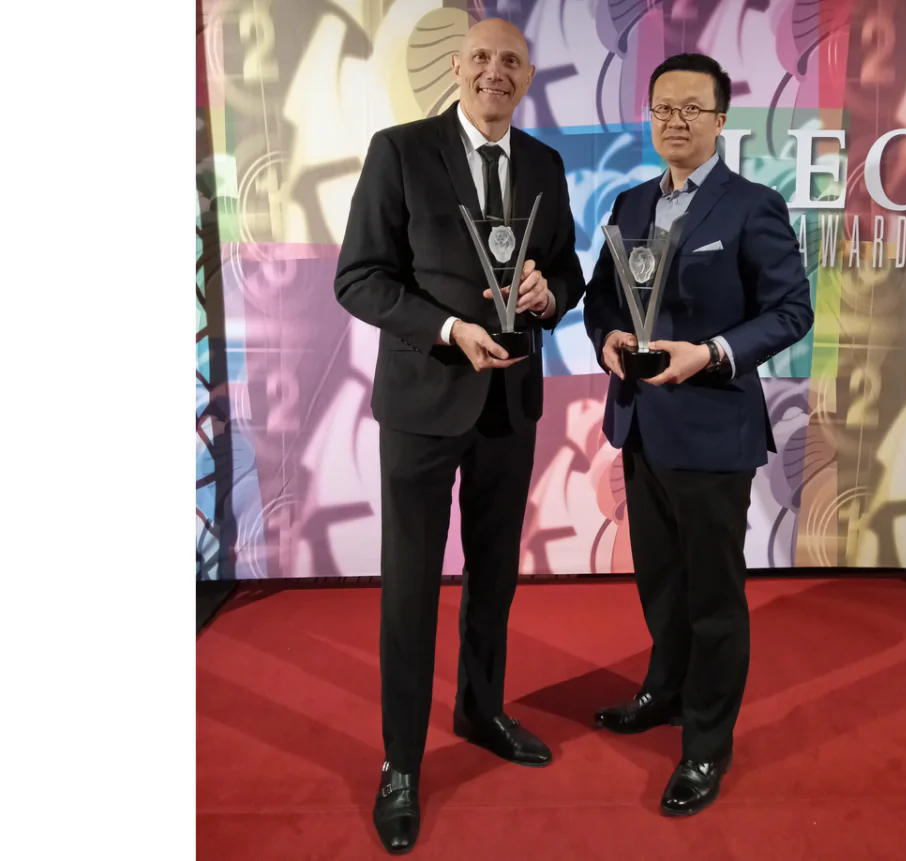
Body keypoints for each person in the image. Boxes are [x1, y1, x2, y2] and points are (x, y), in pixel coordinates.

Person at [333, 18, 584, 854]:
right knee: (410, 587)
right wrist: (444, 328)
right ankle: (400, 760)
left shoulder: (544, 165)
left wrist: (552, 294)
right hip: (422, 402)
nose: (493, 71)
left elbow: (569, 272)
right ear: (455, 67)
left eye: (510, 60)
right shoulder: (399, 151)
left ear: (528, 74)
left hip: (509, 405)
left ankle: (482, 707)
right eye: (479, 57)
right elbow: (360, 278)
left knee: (496, 574)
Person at [584, 53, 814, 817]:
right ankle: (666, 689)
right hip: (641, 426)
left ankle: (708, 743)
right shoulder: (628, 204)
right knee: (660, 582)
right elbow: (598, 302)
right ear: (648, 116)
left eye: (691, 109)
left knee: (714, 596)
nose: (674, 121)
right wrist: (610, 338)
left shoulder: (752, 206)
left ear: (720, 121)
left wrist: (711, 353)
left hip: (714, 430)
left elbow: (790, 312)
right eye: (662, 108)